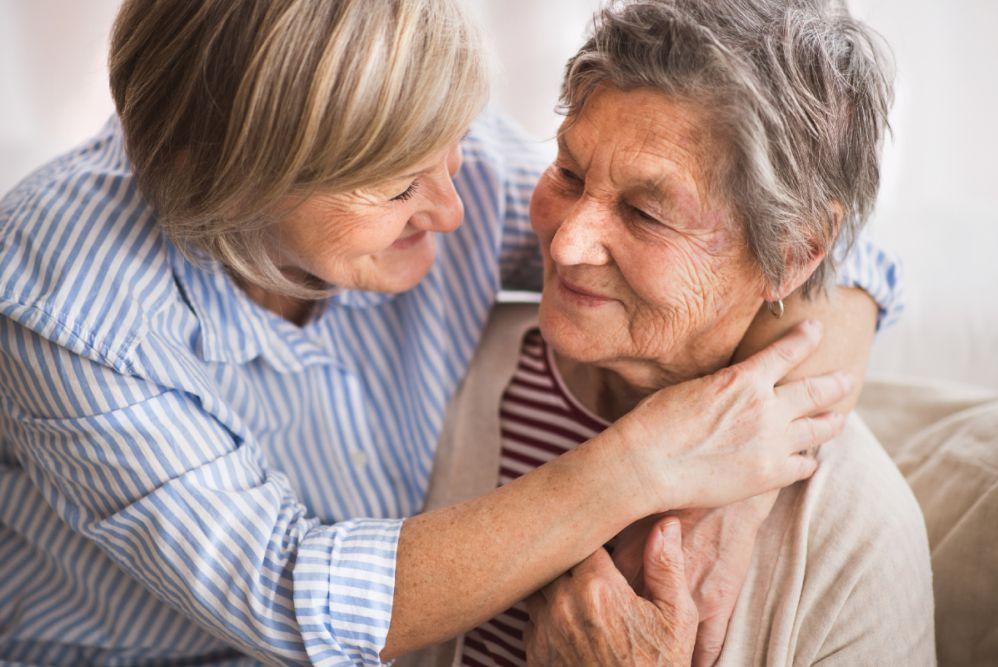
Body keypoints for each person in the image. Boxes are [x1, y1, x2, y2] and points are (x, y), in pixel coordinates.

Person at [0, 1, 900, 664]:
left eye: (450, 146)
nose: (459, 207)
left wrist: (733, 488)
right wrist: (644, 464)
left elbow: (820, 242)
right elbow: (286, 594)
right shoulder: (66, 300)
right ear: (230, 191)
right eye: (397, 189)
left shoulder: (398, 128)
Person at [409, 1, 930, 665]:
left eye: (646, 213)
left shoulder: (854, 532)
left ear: (796, 251)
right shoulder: (461, 372)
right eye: (568, 172)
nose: (567, 244)